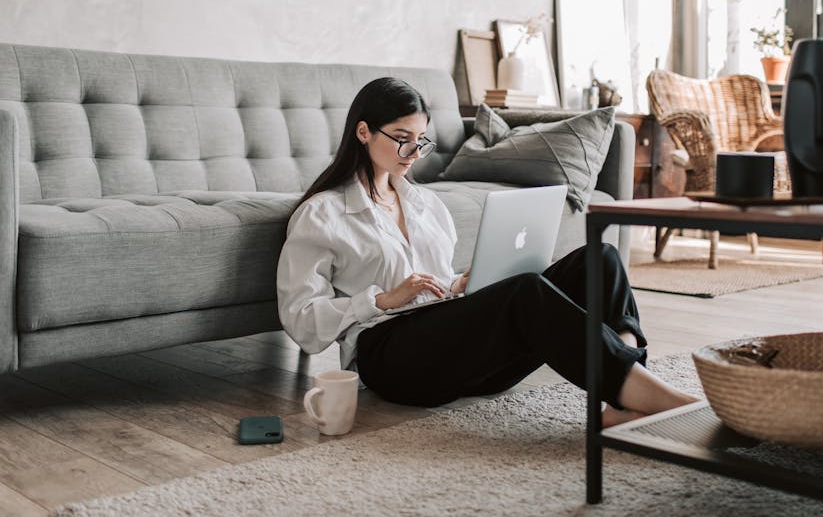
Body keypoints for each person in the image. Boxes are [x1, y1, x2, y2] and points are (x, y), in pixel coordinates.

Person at [276, 77, 696, 427]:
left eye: (420, 142)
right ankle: (657, 400)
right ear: (363, 131)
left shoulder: (426, 205)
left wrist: (461, 286)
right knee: (527, 292)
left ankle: (623, 399)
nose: (412, 154)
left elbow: (436, 285)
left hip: (454, 352)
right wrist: (381, 300)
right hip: (389, 357)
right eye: (402, 140)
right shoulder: (324, 213)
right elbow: (301, 319)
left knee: (599, 258)